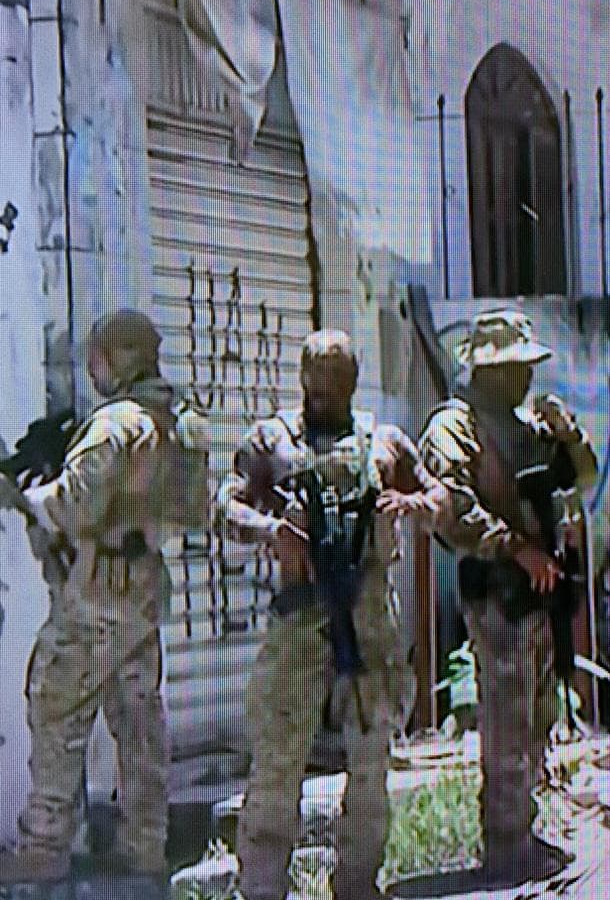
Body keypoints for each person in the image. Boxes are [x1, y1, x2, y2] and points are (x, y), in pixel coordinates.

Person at [216, 329, 445, 900]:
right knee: (276, 761)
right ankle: (264, 886)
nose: (326, 396)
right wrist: (274, 530)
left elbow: (442, 496)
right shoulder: (272, 440)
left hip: (367, 615)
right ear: (302, 381)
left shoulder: (384, 441)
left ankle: (358, 882)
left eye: (337, 385)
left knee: (370, 762)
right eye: (318, 386)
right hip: (297, 617)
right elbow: (225, 506)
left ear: (354, 381)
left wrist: (412, 503)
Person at [0, 309, 212, 895]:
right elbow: (197, 509)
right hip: (144, 595)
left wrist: (27, 493)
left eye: (97, 354)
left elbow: (71, 508)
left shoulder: (114, 424)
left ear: (118, 358)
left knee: (56, 709)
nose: (91, 367)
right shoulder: (182, 424)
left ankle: (44, 851)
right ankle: (147, 850)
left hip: (95, 598)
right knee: (140, 725)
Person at [418, 309, 598, 887]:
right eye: (516, 367)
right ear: (490, 371)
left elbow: (583, 477)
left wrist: (569, 432)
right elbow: (449, 507)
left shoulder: (526, 425)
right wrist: (516, 548)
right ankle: (504, 841)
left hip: (537, 591)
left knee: (532, 713)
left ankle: (522, 828)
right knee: (504, 715)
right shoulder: (455, 427)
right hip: (497, 589)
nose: (526, 378)